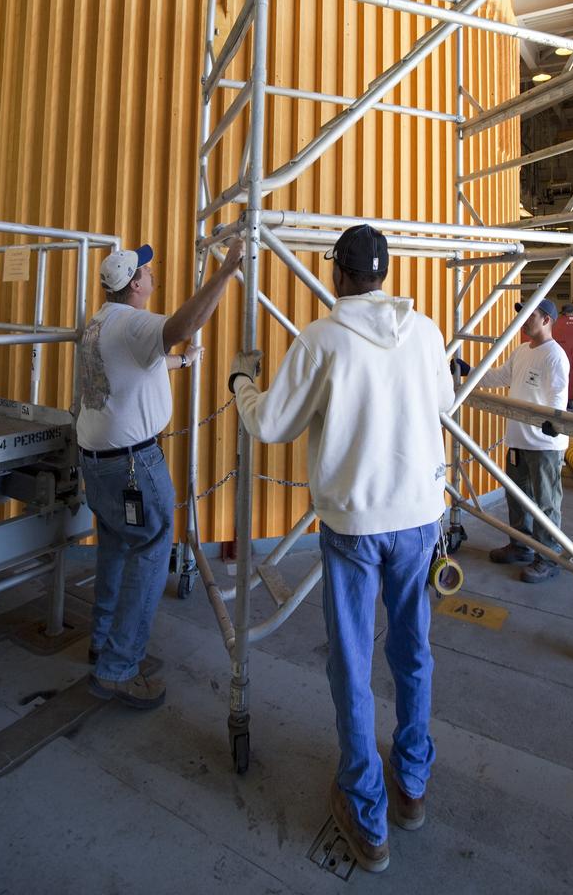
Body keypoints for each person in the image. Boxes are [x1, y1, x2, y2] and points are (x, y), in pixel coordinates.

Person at [229, 224, 453, 874]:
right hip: (417, 519)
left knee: (352, 665)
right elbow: (442, 404)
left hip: (353, 527)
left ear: (338, 274)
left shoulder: (322, 339)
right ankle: (410, 784)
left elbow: (270, 423)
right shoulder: (427, 331)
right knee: (412, 651)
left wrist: (242, 381)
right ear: (383, 274)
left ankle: (366, 811)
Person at [77, 237, 244, 710]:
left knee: (116, 546)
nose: (153, 274)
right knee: (152, 549)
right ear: (134, 285)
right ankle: (118, 668)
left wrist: (182, 361)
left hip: (98, 463)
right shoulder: (135, 323)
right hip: (133, 465)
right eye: (146, 272)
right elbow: (184, 324)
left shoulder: (101, 323)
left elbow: (137, 365)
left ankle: (103, 641)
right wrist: (227, 269)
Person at [470, 298, 570, 584]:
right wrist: (469, 371)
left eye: (531, 314)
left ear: (547, 320)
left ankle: (549, 557)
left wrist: (555, 422)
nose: (524, 319)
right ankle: (520, 545)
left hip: (543, 445)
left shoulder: (555, 355)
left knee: (546, 503)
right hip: (518, 440)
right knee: (517, 497)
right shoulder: (522, 351)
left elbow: (559, 395)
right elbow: (499, 376)